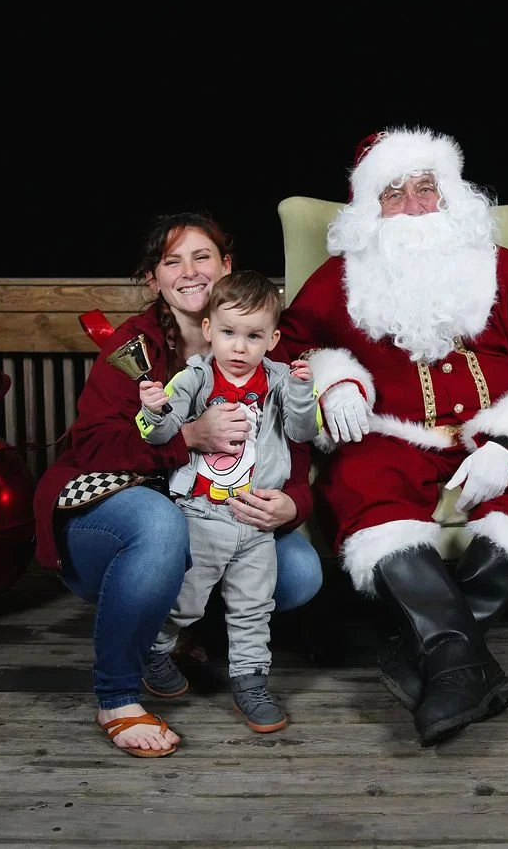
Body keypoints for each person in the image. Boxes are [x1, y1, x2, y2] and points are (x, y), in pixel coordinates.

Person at [278, 127, 508, 747]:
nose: (415, 206)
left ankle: (431, 655)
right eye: (394, 194)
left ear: (450, 196)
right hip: (391, 436)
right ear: (370, 210)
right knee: (362, 481)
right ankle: (459, 660)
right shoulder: (339, 278)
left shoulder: (506, 270)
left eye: (426, 189)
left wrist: (506, 444)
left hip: (493, 430)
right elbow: (286, 349)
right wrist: (335, 379)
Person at [32, 213, 323, 758]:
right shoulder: (135, 349)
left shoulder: (263, 352)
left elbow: (296, 446)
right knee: (160, 524)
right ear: (154, 280)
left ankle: (195, 635)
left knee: (301, 572)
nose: (190, 272)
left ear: (227, 266)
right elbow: (92, 444)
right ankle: (118, 692)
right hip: (110, 510)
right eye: (172, 261)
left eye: (202, 256)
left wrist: (294, 503)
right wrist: (187, 434)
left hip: (222, 516)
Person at [136, 270, 320, 732]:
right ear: (208, 331)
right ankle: (154, 653)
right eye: (229, 333)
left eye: (254, 336)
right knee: (185, 603)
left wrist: (300, 394)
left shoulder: (280, 381)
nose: (240, 347)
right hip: (202, 515)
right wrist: (154, 409)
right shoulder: (193, 378)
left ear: (273, 339)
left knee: (254, 608)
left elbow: (303, 432)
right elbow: (158, 437)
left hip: (257, 520)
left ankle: (251, 683)